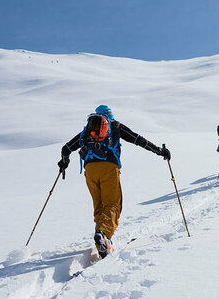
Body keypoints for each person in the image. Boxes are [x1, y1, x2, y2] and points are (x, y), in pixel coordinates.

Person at [58, 105, 170, 260]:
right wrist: (159, 150)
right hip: (109, 168)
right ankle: (103, 234)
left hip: (89, 170)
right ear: (110, 115)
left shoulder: (87, 131)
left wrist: (64, 162)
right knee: (113, 204)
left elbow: (66, 149)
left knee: (99, 205)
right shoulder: (115, 126)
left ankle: (101, 243)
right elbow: (138, 139)